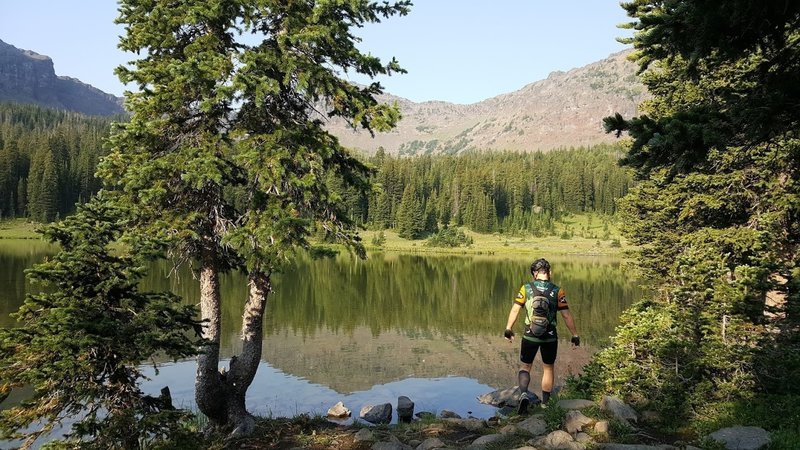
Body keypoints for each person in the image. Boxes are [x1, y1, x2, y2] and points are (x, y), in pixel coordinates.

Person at [504, 258, 579, 413]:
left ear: (534, 274)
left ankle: (524, 393)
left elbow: (515, 310)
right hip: (550, 336)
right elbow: (566, 315)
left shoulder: (526, 288)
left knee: (525, 366)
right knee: (548, 368)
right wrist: (575, 334)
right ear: (549, 272)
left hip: (530, 335)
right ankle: (545, 404)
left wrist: (508, 329)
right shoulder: (558, 291)